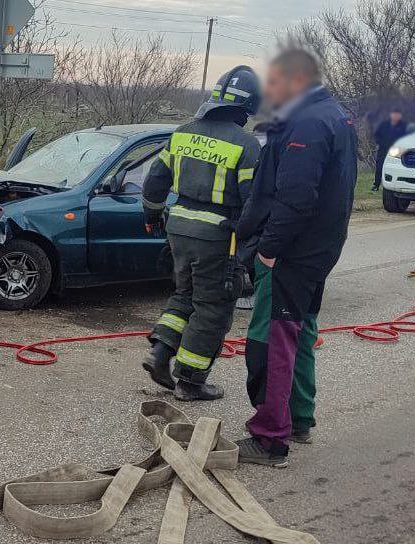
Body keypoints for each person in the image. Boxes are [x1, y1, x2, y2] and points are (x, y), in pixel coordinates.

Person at [234, 49, 358, 466]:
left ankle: (270, 437)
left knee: (271, 340)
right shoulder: (332, 115)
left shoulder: (307, 123)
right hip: (320, 248)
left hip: (293, 252)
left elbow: (296, 197)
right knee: (300, 331)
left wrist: (269, 249)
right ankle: (299, 417)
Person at [141, 66, 262, 402]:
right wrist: (253, 242)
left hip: (178, 229)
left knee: (184, 294)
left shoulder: (182, 133)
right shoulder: (246, 145)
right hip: (217, 237)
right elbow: (252, 198)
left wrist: (151, 214)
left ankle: (160, 353)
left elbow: (154, 181)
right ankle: (190, 381)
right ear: (247, 107)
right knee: (213, 307)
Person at [371, 107, 407, 192]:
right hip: (383, 149)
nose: (396, 116)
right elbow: (376, 135)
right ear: (391, 115)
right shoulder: (384, 124)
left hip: (396, 151)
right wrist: (380, 142)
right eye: (394, 114)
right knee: (380, 167)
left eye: (397, 115)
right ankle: (376, 185)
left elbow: (405, 138)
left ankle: (395, 185)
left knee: (395, 167)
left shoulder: (403, 126)